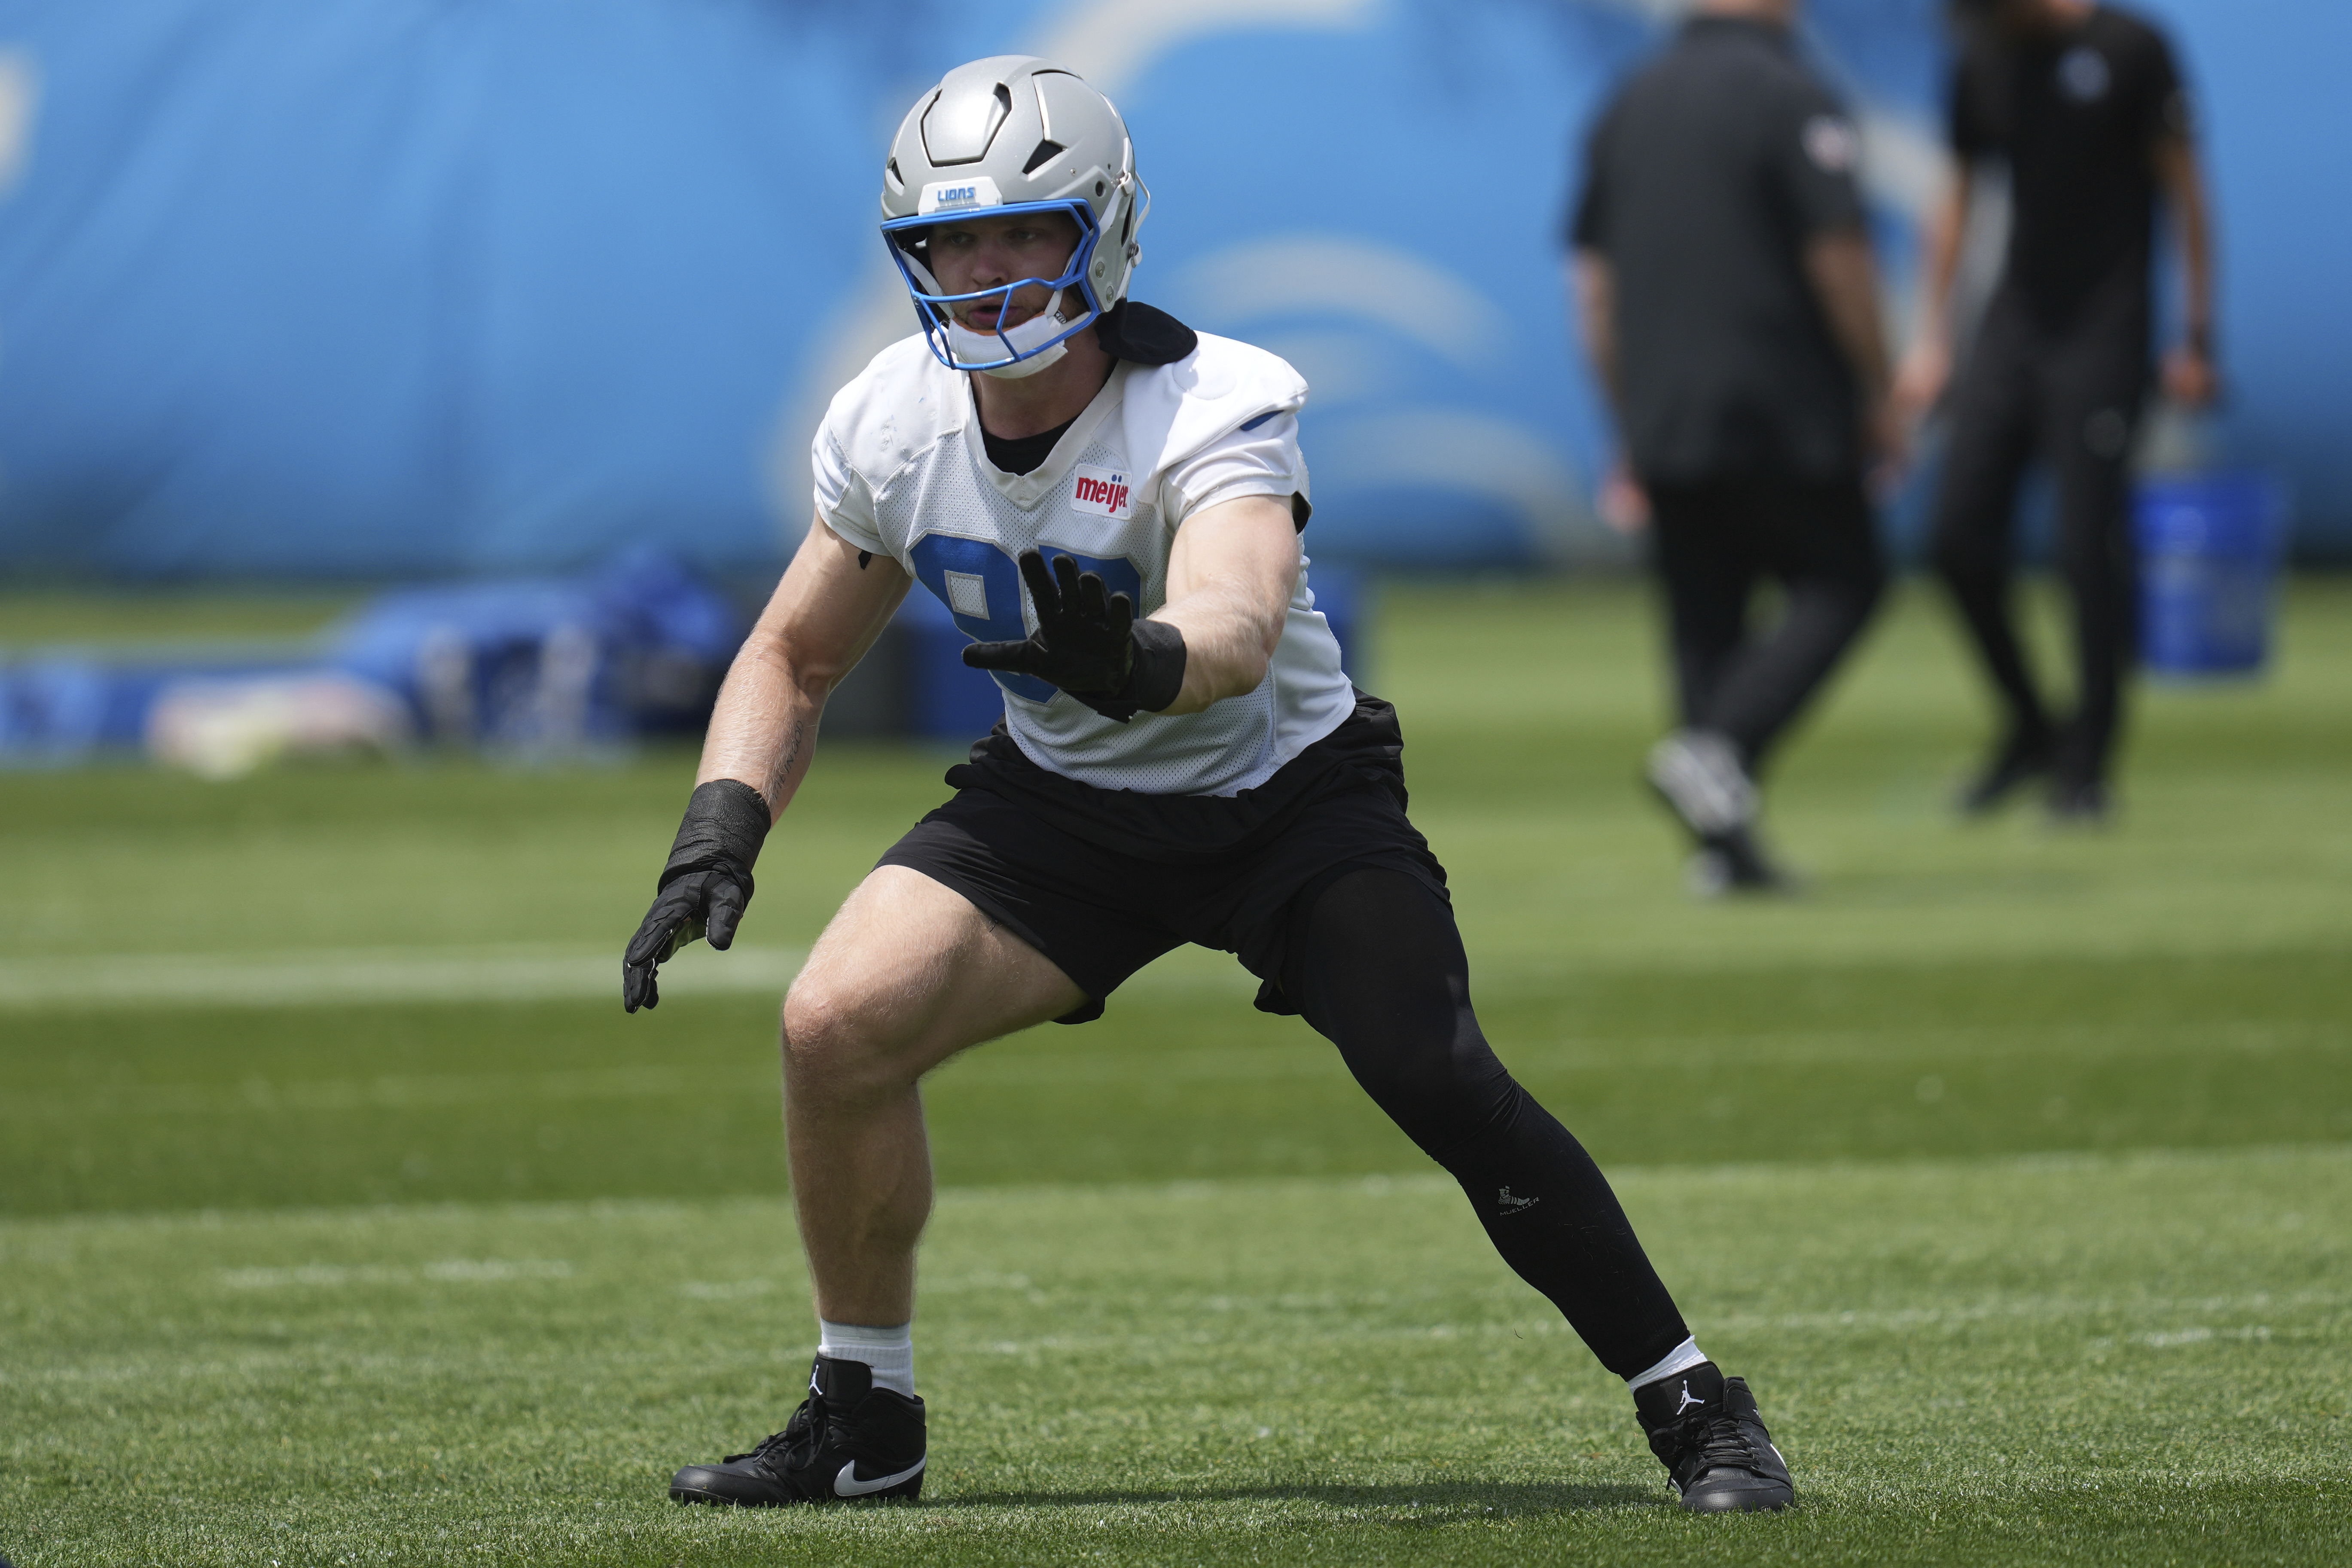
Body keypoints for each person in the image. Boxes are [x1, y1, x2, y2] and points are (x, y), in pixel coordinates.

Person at [620, 55, 1794, 1513]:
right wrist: (720, 825)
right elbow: (793, 654)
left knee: (1433, 1072)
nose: (986, 274)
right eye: (952, 243)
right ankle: (865, 1419)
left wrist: (1140, 658)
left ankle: (1694, 1403)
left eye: (1022, 233)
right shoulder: (891, 419)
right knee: (833, 1024)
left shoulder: (1210, 400)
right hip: (1062, 805)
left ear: (1101, 232)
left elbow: (1236, 627)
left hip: (1282, 797)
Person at [1571, 0, 1896, 894]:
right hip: (1782, 402)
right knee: (1844, 579)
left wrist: (1625, 417)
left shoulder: (1630, 100)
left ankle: (1722, 851)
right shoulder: (1789, 92)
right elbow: (1839, 257)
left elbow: (1594, 287)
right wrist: (1879, 387)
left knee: (1704, 621)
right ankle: (1719, 748)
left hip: (1664, 408)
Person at [1897, 0, 2218, 820]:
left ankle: (2087, 765)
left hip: (2105, 329)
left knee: (2087, 549)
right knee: (1957, 537)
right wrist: (1932, 339)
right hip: (2014, 324)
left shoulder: (2131, 47)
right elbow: (1957, 197)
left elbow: (2185, 190)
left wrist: (2198, 336)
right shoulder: (1985, 59)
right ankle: (2032, 725)